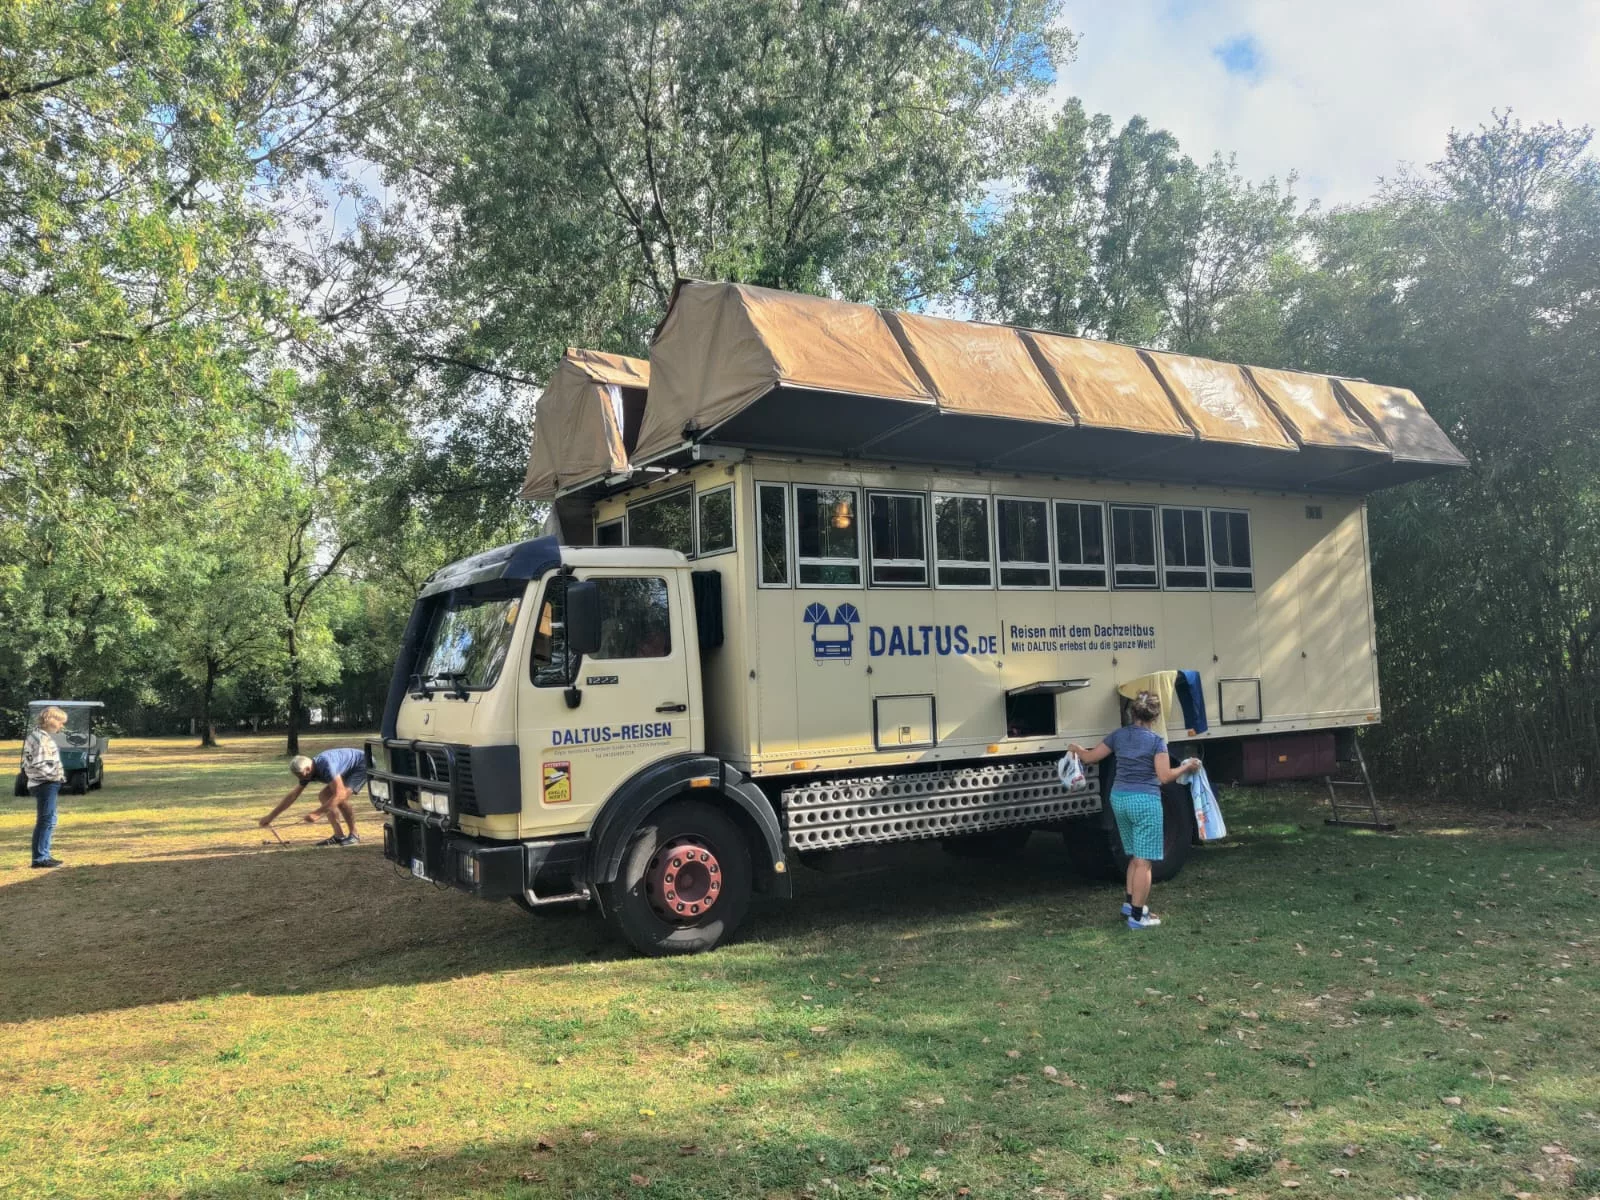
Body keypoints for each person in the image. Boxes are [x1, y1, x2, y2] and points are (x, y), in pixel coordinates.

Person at [1069, 691, 1200, 930]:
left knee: (1133, 857)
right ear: (1155, 716)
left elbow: (1090, 758)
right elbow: (1164, 776)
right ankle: (1138, 917)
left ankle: (1130, 905)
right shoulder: (1156, 741)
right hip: (1145, 802)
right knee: (1144, 862)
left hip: (1119, 799)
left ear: (1132, 712)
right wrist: (1186, 767)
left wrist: (1076, 749)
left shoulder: (1119, 736)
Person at [258, 747, 368, 846]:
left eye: (300, 775)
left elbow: (340, 794)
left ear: (308, 769)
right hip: (346, 768)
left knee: (340, 799)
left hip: (362, 763)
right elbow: (293, 796)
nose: (300, 778)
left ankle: (354, 835)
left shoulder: (326, 766)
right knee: (324, 795)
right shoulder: (306, 773)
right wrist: (270, 817)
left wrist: (317, 813)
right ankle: (339, 836)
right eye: (297, 776)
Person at [22, 705, 68, 868]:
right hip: (45, 783)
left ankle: (44, 854)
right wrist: (55, 776)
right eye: (60, 721)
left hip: (41, 783)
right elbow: (40, 763)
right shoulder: (42, 739)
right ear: (51, 721)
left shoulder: (35, 736)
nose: (62, 725)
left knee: (49, 819)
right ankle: (40, 858)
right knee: (46, 820)